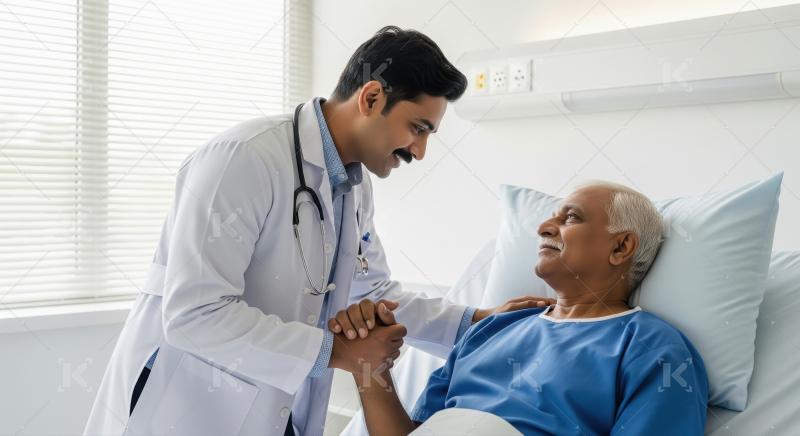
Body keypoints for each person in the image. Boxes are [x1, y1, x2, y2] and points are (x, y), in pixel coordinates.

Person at [83, 26, 551, 436]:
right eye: (417, 128)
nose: (421, 151)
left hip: (272, 407)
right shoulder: (243, 158)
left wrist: (476, 323)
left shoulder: (352, 184)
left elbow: (373, 293)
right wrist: (336, 351)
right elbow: (194, 314)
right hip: (187, 408)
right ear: (371, 98)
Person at [354, 182, 709, 435]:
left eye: (570, 218)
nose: (543, 227)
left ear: (621, 247)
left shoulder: (654, 349)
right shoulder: (493, 329)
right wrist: (370, 371)